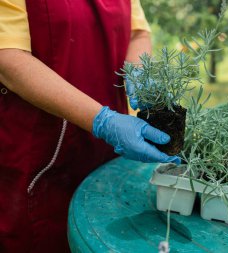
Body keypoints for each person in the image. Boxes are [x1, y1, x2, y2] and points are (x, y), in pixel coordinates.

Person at [0, 0, 180, 252]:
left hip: (108, 153)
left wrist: (139, 72)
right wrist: (103, 121)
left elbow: (137, 33)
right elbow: (7, 57)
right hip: (42, 157)